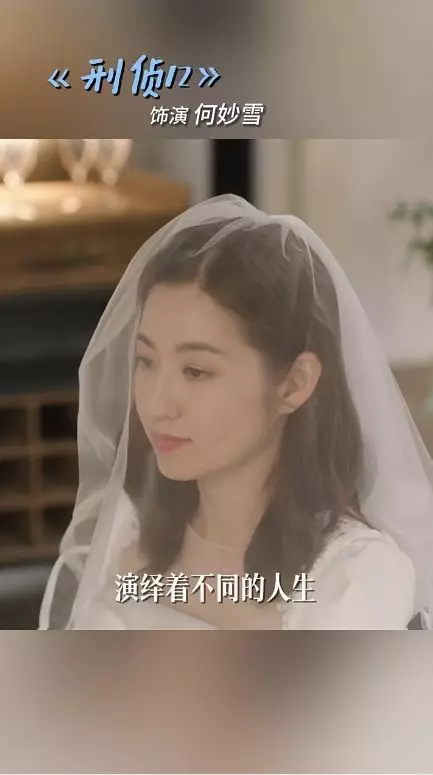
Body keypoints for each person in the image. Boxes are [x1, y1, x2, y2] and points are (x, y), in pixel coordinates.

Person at [39, 195, 433, 630]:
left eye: (196, 371)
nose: (156, 403)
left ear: (294, 383)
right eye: (146, 361)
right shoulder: (131, 527)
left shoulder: (353, 577)